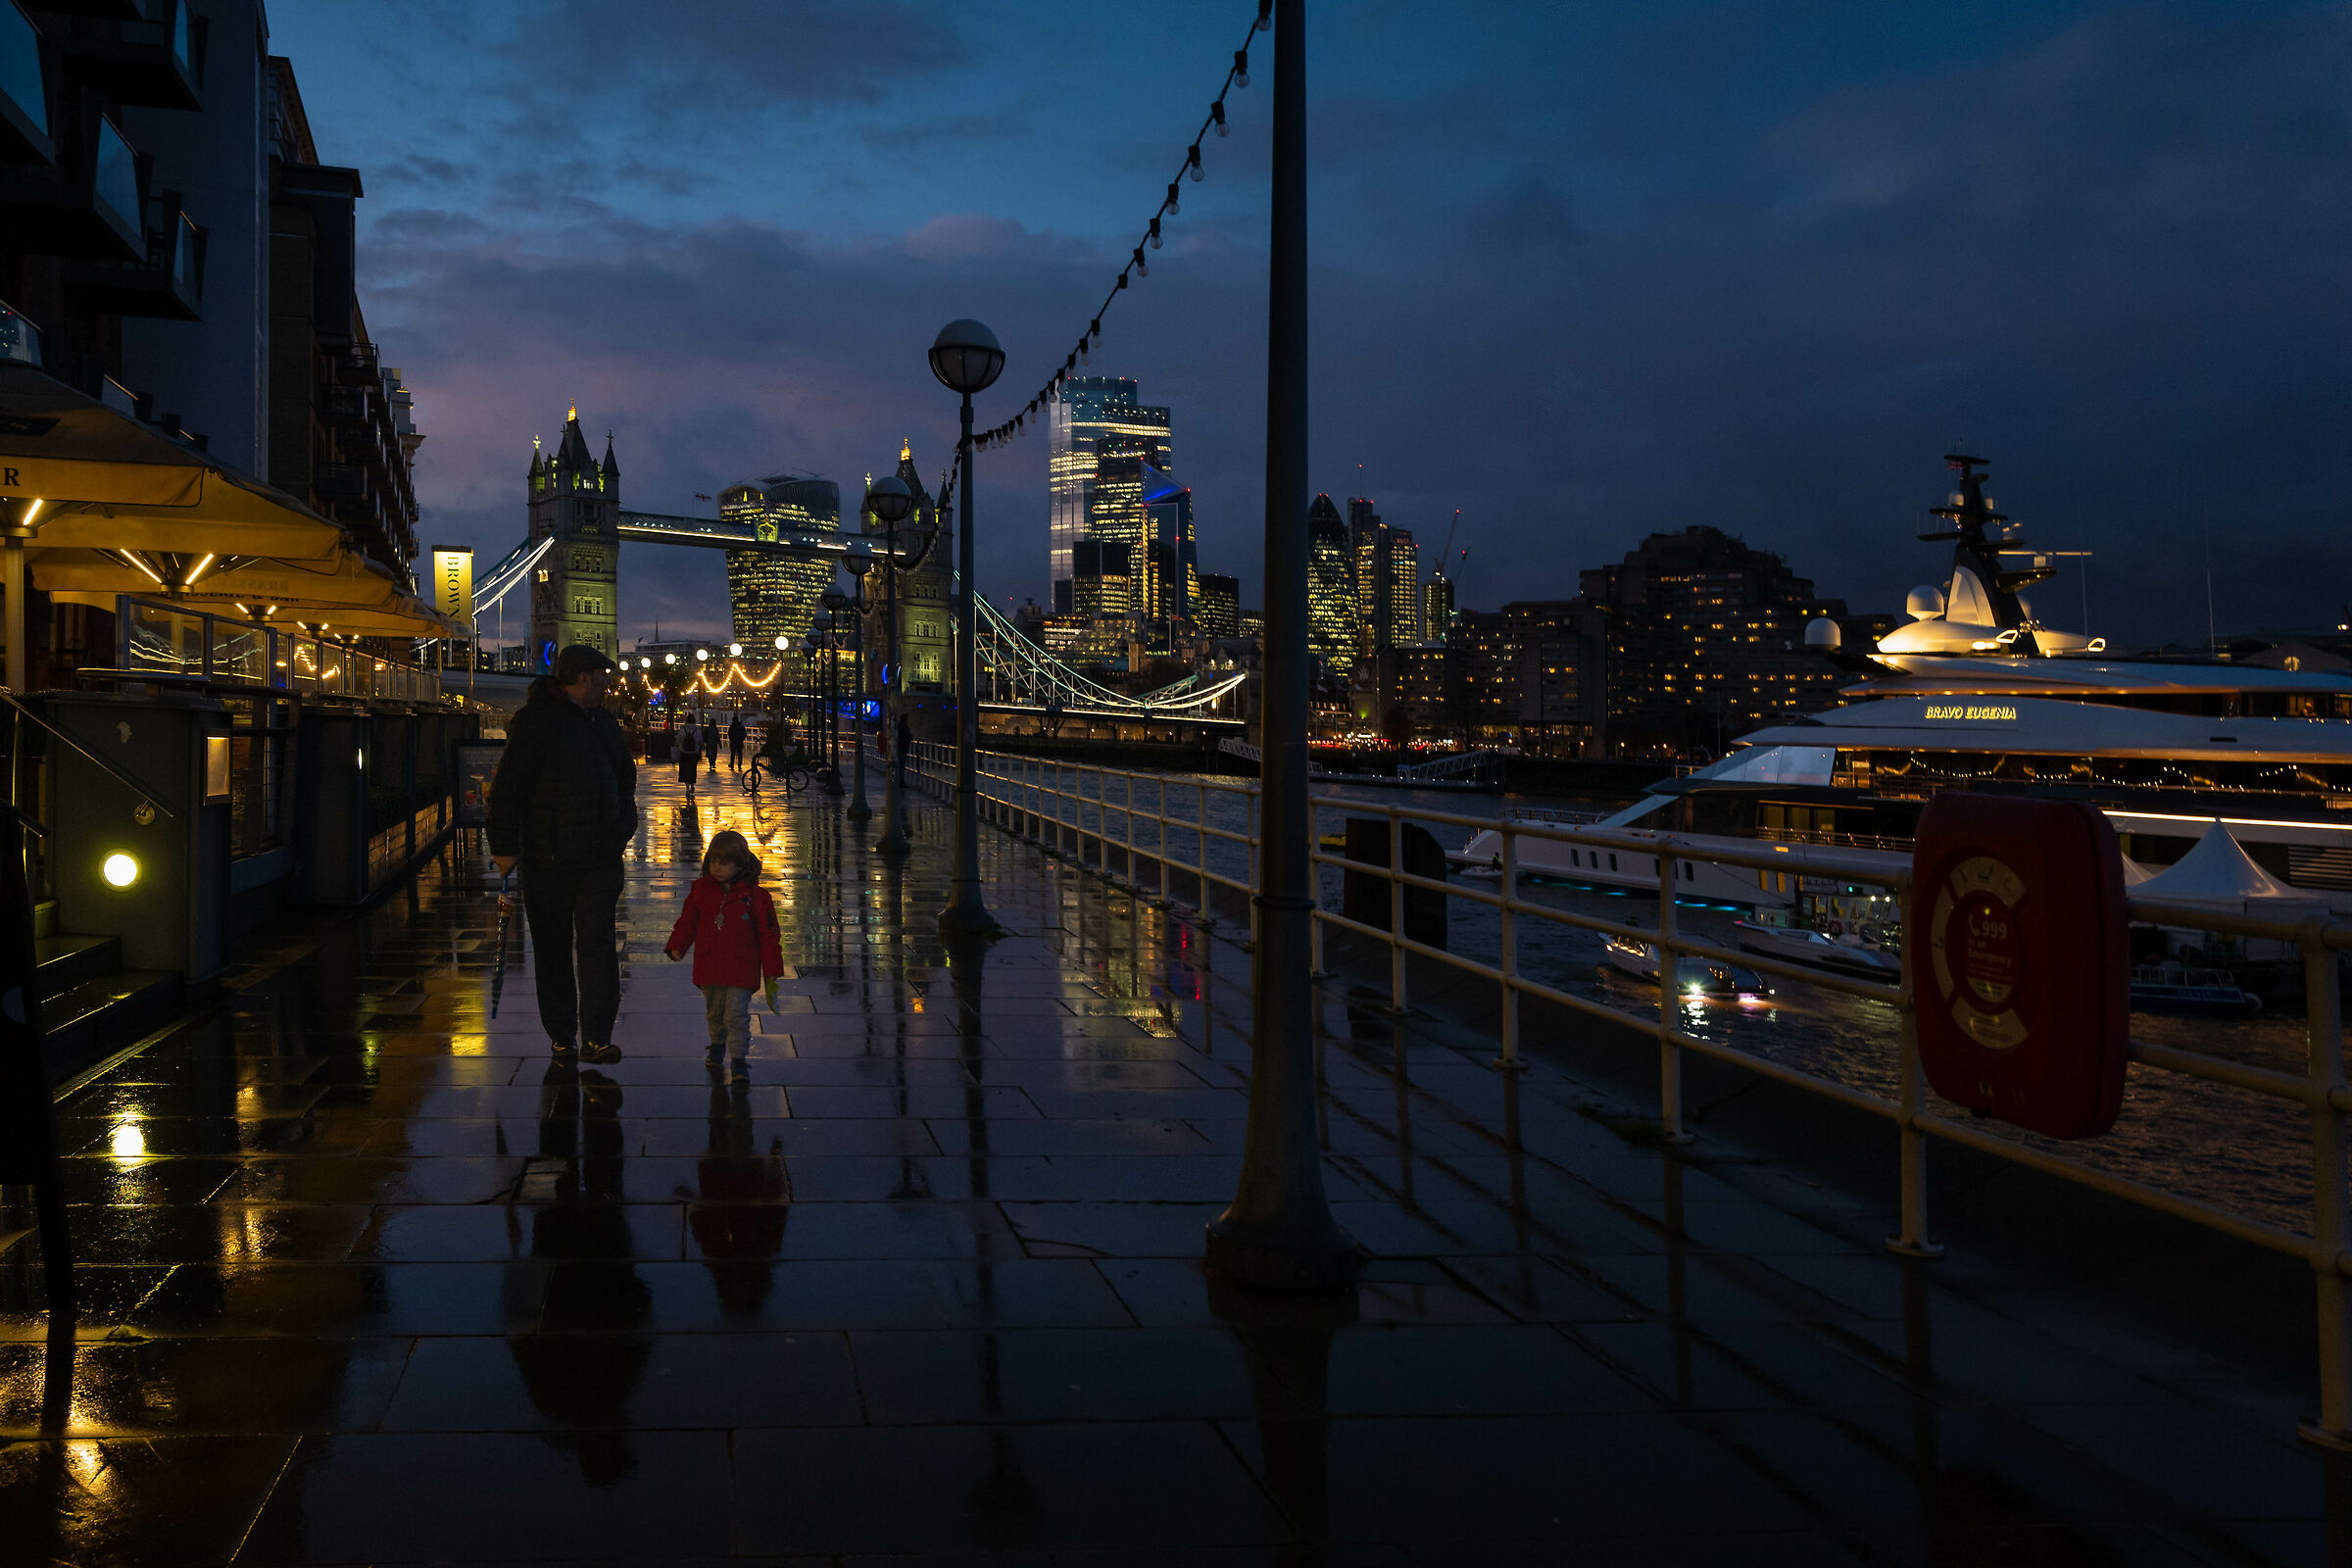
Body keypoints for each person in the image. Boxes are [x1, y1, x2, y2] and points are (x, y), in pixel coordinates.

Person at [490, 644, 637, 1063]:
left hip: (599, 860)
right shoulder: (535, 721)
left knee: (599, 949)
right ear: (584, 678)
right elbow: (508, 790)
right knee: (553, 952)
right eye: (603, 676)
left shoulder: (603, 722)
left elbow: (625, 778)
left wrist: (623, 829)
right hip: (547, 860)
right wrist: (503, 848)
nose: (609, 683)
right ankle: (561, 1035)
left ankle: (596, 1037)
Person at [664, 829, 783, 1077]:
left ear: (740, 865)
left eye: (724, 862)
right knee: (715, 1012)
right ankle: (717, 1043)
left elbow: (769, 936)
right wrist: (678, 945)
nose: (717, 868)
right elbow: (688, 922)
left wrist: (772, 971)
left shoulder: (756, 897)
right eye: (714, 861)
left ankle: (738, 1058)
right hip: (710, 964)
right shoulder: (701, 890)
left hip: (741, 967)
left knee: (736, 1014)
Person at [677, 722, 701, 788]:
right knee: (692, 769)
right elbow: (701, 741)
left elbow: (678, 740)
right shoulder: (697, 730)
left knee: (685, 770)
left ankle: (687, 786)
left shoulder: (682, 729)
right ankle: (692, 785)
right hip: (694, 753)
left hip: (684, 753)